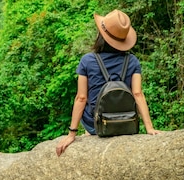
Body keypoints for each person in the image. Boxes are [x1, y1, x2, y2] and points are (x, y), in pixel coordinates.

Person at [56, 9, 161, 156]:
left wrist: (71, 134)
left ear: (101, 35)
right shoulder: (132, 61)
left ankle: (90, 134)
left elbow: (81, 98)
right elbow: (137, 94)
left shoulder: (87, 60)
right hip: (125, 123)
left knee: (90, 111)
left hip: (95, 125)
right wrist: (149, 128)